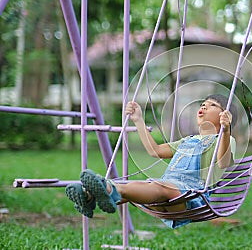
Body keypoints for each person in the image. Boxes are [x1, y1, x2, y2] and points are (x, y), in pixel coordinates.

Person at [65, 94, 237, 228]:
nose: (204, 106)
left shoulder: (225, 140)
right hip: (163, 196)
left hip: (191, 198)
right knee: (146, 186)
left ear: (226, 115)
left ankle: (102, 190)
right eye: (203, 104)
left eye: (213, 105)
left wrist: (226, 131)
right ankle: (90, 196)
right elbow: (155, 151)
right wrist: (138, 120)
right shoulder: (188, 141)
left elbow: (223, 163)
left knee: (158, 186)